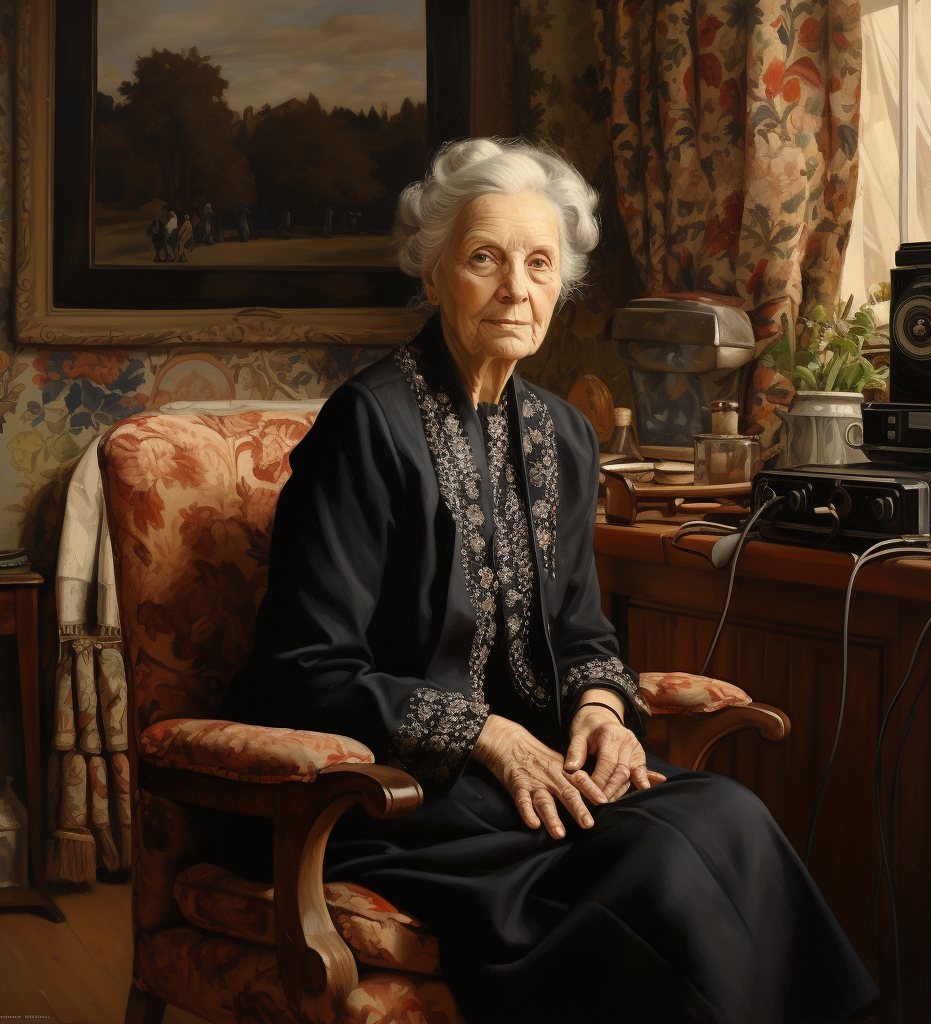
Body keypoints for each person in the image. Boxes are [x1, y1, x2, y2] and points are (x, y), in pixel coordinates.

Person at [218, 138, 879, 1024]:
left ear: (560, 285)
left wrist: (602, 710)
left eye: (538, 264)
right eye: (484, 258)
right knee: (661, 865)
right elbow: (302, 669)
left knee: (728, 813)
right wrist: (485, 735)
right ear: (435, 273)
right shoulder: (364, 430)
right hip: (394, 797)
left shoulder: (565, 436)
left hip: (540, 775)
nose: (515, 288)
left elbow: (581, 635)